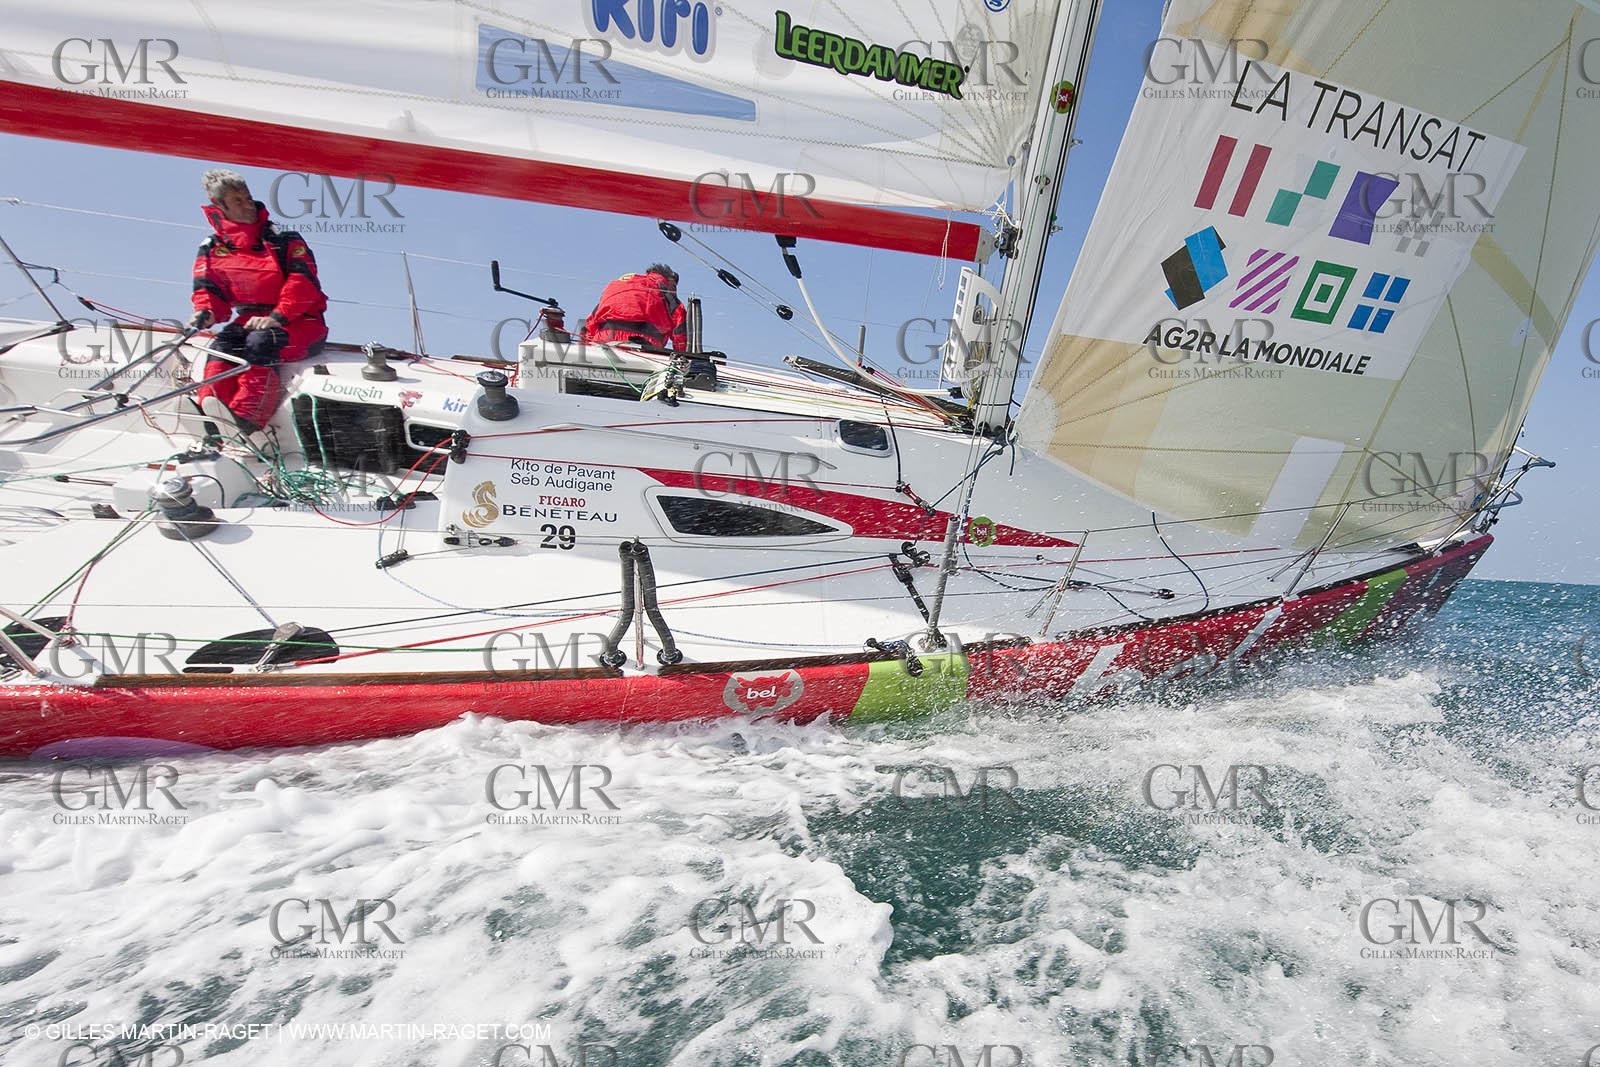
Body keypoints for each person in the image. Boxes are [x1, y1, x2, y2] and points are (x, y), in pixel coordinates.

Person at [186, 169, 328, 433]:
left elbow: (303, 282)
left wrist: (277, 316)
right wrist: (205, 312)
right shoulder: (213, 247)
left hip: (302, 322)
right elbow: (209, 289)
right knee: (222, 345)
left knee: (261, 342)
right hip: (250, 318)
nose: (248, 205)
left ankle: (247, 417)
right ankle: (211, 412)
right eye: (238, 200)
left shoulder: (283, 238)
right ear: (220, 205)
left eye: (248, 197)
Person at [582, 264, 688, 350]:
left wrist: (583, 350)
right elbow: (680, 328)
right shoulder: (665, 292)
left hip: (604, 340)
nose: (675, 291)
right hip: (644, 344)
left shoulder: (619, 287)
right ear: (668, 281)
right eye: (674, 287)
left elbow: (590, 324)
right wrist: (683, 357)